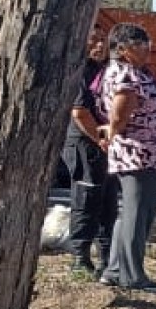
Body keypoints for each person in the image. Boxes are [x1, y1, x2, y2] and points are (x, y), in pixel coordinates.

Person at [98, 23, 156, 291]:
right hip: (138, 154)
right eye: (141, 45)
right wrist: (112, 132)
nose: (147, 50)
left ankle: (114, 269)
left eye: (148, 44)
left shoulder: (135, 73)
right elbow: (120, 114)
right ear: (123, 49)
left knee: (132, 213)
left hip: (148, 154)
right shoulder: (125, 75)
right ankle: (132, 275)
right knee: (138, 214)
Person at [63, 28, 116, 274]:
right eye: (93, 40)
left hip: (108, 146)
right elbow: (80, 112)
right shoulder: (80, 71)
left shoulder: (108, 70)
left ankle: (107, 258)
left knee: (108, 203)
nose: (100, 46)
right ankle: (80, 258)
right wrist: (101, 139)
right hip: (86, 144)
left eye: (103, 40)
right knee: (86, 200)